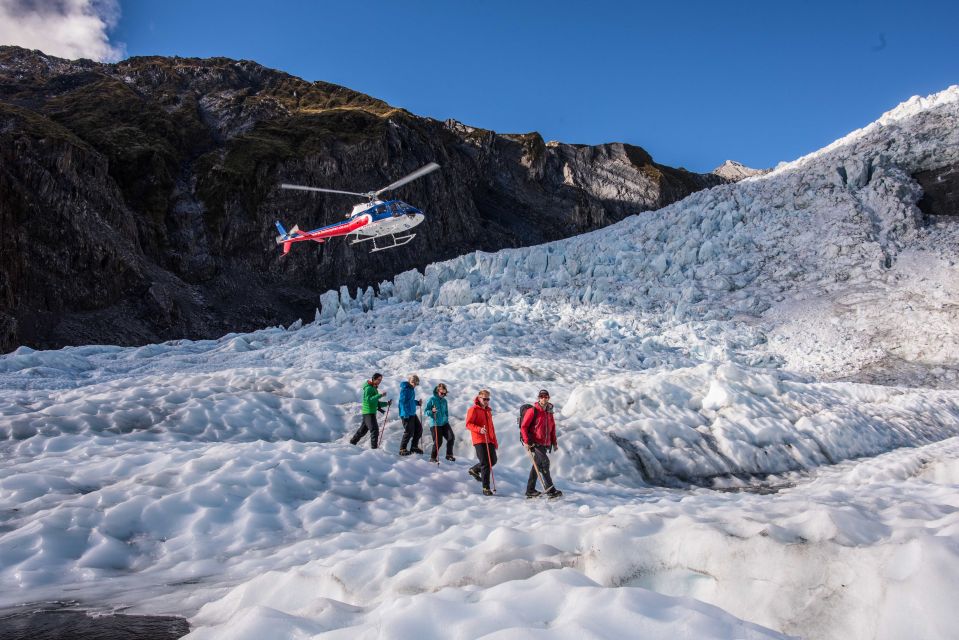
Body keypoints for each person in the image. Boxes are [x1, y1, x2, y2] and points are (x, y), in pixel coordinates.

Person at [520, 389, 562, 498]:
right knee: (545, 462)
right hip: (535, 442)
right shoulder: (533, 411)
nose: (544, 398)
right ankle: (551, 490)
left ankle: (530, 490)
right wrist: (526, 441)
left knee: (537, 466)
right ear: (539, 398)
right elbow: (524, 427)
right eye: (542, 396)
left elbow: (552, 429)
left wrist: (554, 443)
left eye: (546, 396)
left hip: (545, 443)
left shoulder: (549, 412)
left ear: (548, 398)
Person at [466, 389, 498, 496]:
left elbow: (491, 427)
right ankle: (486, 488)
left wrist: (494, 441)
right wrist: (479, 429)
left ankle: (474, 469)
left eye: (488, 399)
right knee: (485, 463)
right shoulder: (473, 409)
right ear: (479, 398)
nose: (486, 401)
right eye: (484, 399)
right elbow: (468, 424)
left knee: (493, 461)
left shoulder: (488, 411)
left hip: (489, 439)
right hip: (479, 439)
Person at [350, 373, 389, 449]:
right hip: (368, 412)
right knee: (374, 430)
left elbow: (375, 403)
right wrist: (380, 395)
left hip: (370, 412)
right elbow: (368, 400)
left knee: (362, 431)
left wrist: (386, 403)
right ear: (374, 379)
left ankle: (352, 443)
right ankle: (374, 449)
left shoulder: (373, 388)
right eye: (378, 379)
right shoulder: (369, 388)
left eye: (380, 380)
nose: (379, 381)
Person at [425, 383, 455, 462]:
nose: (443, 395)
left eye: (445, 394)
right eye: (442, 393)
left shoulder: (445, 401)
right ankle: (433, 458)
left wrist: (446, 418)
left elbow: (446, 411)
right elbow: (426, 411)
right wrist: (432, 411)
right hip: (435, 423)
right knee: (438, 441)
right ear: (437, 391)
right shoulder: (432, 399)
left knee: (451, 437)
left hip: (444, 423)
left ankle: (449, 455)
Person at [398, 374, 424, 455]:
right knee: (409, 431)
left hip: (412, 413)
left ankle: (414, 447)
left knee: (419, 429)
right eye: (413, 382)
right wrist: (405, 414)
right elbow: (402, 402)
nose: (414, 384)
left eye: (416, 383)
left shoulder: (411, 389)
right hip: (406, 414)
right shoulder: (405, 390)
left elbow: (410, 401)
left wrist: (417, 403)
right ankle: (402, 449)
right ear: (409, 381)